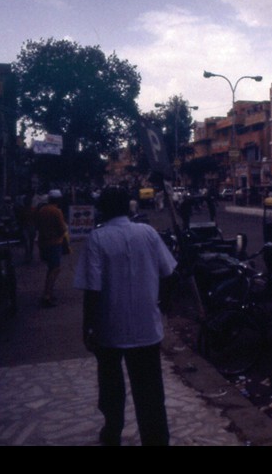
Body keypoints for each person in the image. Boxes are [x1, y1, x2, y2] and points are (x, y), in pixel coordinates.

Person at [73, 186, 177, 446]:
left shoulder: (97, 238)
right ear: (128, 207)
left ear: (103, 209)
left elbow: (92, 290)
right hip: (146, 328)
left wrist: (88, 326)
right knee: (151, 393)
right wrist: (159, 304)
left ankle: (112, 432)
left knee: (111, 388)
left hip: (109, 328)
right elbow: (169, 273)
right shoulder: (148, 233)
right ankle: (156, 441)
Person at [36, 189, 68, 308]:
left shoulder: (42, 210)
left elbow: (37, 225)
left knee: (51, 269)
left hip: (43, 242)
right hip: (55, 243)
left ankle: (48, 292)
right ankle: (47, 295)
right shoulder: (56, 211)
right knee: (55, 269)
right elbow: (62, 228)